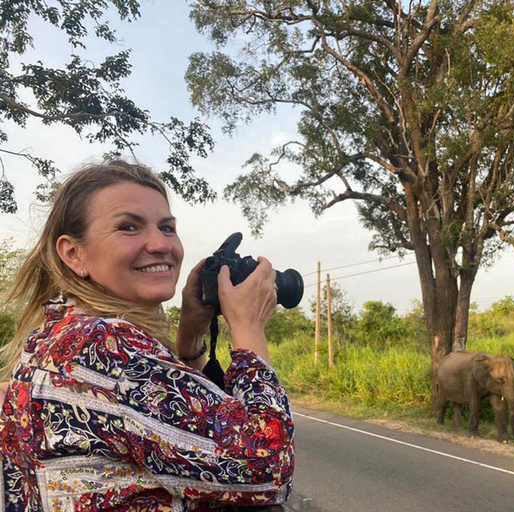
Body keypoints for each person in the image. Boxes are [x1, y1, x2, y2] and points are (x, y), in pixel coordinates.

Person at [0, 160, 294, 511]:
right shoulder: (105, 347)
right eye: (129, 227)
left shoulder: (55, 338)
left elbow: (198, 426)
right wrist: (247, 327)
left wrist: (190, 339)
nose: (159, 244)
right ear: (74, 253)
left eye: (167, 228)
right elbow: (264, 468)